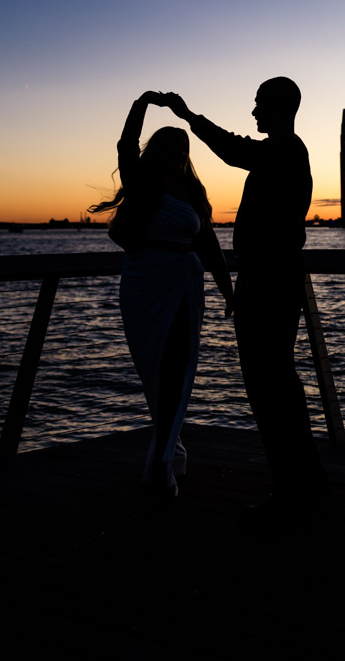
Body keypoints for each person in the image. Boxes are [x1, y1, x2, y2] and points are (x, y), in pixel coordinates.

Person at [165, 78, 328, 513]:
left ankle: (291, 492)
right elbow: (239, 149)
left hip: (267, 282)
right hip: (271, 279)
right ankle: (304, 482)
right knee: (280, 385)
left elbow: (233, 149)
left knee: (267, 387)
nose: (253, 114)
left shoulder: (283, 151)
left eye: (259, 106)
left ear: (280, 107)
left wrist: (188, 117)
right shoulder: (285, 153)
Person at [89, 91, 233, 494]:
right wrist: (143, 102)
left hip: (182, 283)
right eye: (172, 145)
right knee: (153, 372)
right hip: (141, 283)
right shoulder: (141, 184)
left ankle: (164, 462)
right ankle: (171, 449)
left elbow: (209, 245)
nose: (179, 152)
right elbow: (125, 144)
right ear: (160, 150)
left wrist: (227, 289)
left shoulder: (193, 192)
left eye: (184, 146)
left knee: (175, 369)